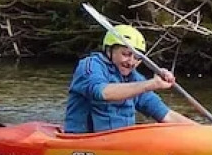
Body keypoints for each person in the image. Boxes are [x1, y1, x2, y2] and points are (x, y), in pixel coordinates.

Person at [64, 24, 196, 133]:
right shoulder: (90, 65)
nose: (131, 62)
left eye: (137, 58)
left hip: (120, 142)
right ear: (109, 51)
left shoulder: (134, 78)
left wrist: (202, 131)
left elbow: (166, 115)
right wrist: (151, 84)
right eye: (126, 54)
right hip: (84, 140)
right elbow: (102, 92)